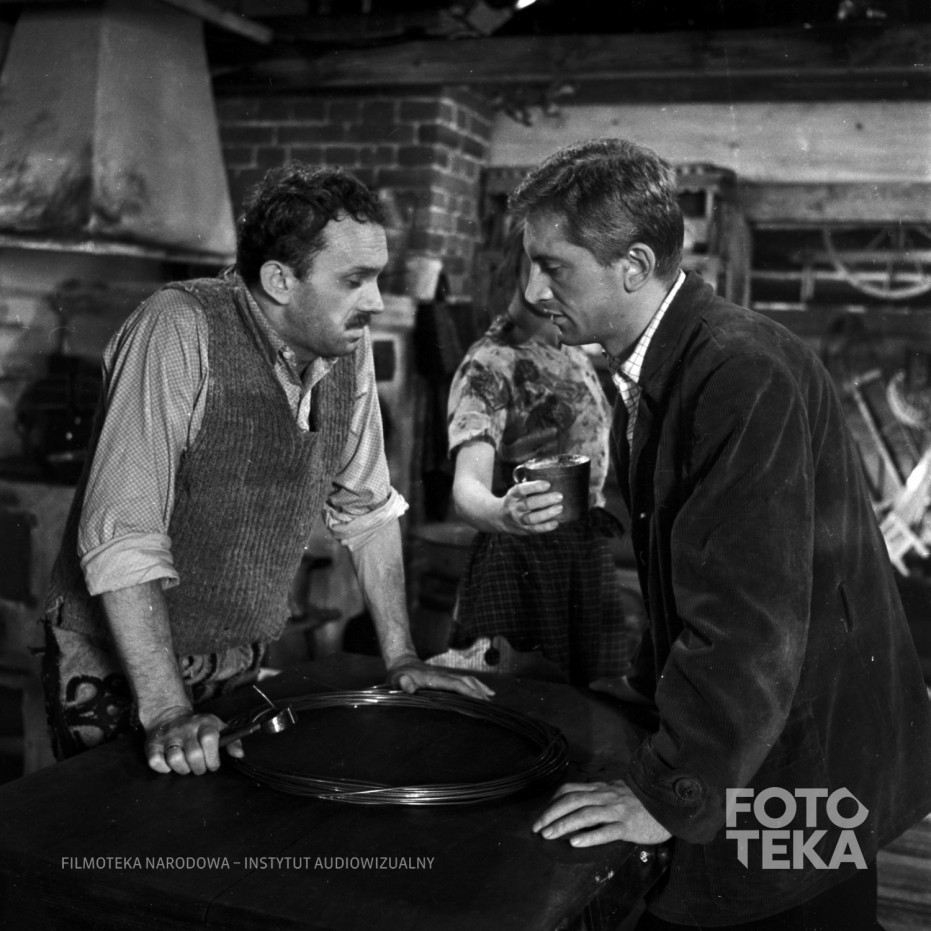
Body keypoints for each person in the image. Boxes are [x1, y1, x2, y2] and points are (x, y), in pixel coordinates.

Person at [508, 138, 931, 929]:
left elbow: (749, 615)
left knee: (798, 915)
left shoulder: (737, 371)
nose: (533, 290)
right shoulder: (667, 365)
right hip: (775, 736)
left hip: (811, 753)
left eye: (553, 266)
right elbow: (688, 576)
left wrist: (663, 793)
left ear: (634, 266)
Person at [42, 162, 491, 777]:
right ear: (280, 279)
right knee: (120, 823)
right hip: (120, 661)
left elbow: (368, 510)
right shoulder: (178, 326)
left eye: (378, 278)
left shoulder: (345, 346)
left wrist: (402, 658)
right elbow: (123, 533)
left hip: (234, 657)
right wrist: (167, 708)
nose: (375, 302)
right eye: (355, 280)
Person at [446, 222, 638, 684]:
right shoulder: (492, 361)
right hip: (523, 557)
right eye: (542, 266)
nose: (550, 284)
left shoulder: (570, 350)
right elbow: (467, 485)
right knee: (520, 697)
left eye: (563, 269)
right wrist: (502, 513)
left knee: (588, 700)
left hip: (580, 554)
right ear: (518, 267)